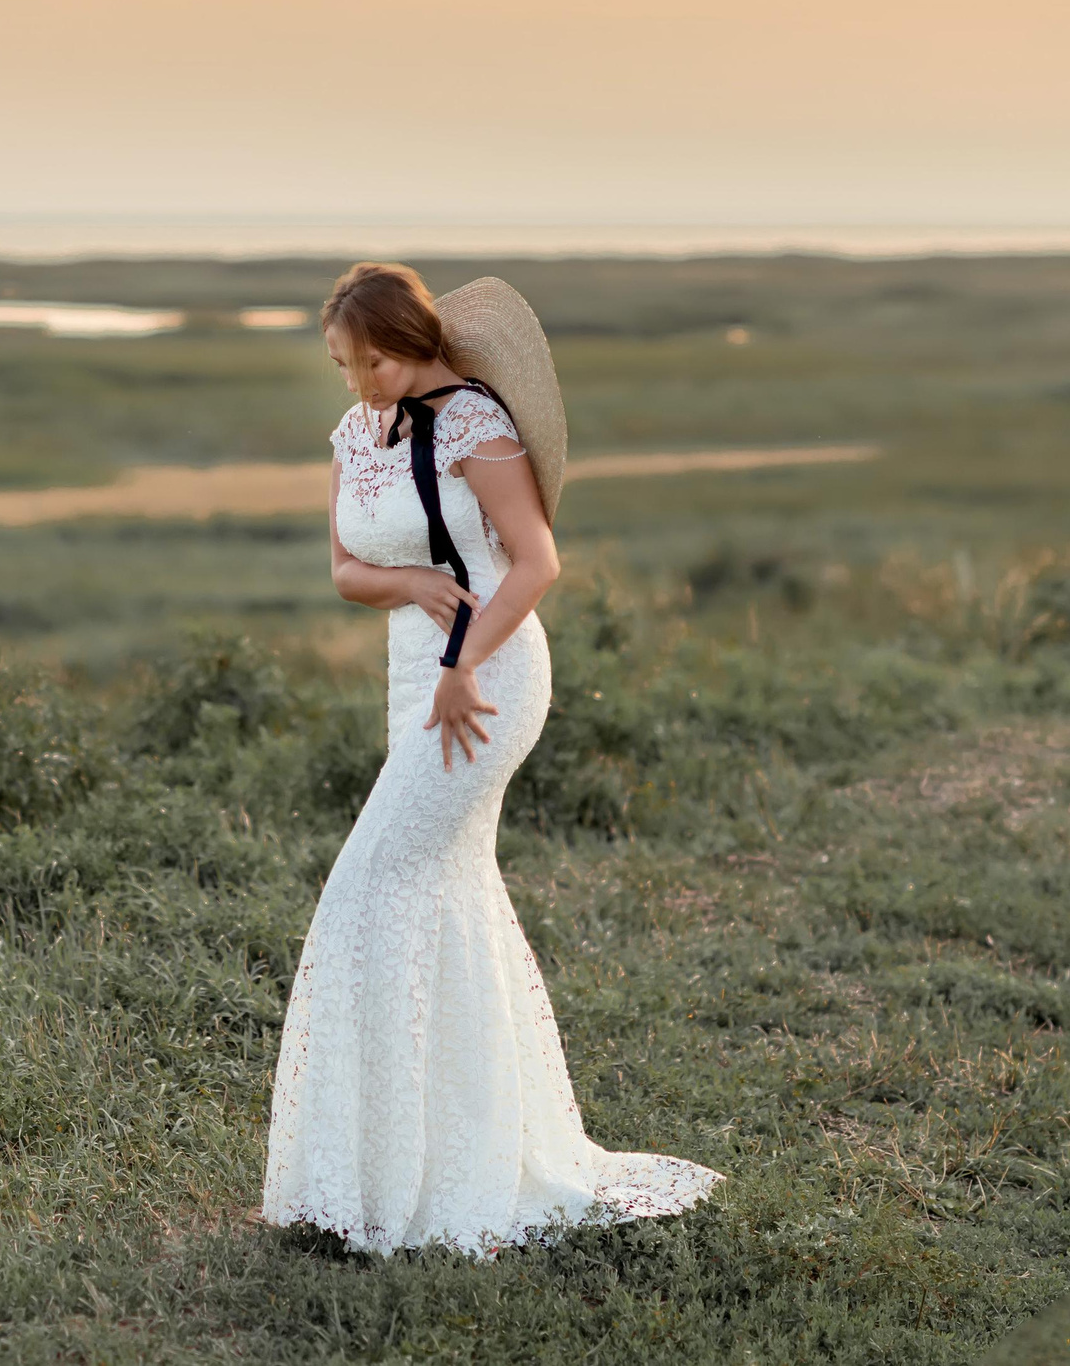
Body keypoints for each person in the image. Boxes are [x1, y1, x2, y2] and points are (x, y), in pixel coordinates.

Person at [260, 261, 724, 1256]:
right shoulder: (355, 433)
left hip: (489, 677)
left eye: (372, 361)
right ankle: (422, 1158)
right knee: (440, 891)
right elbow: (344, 571)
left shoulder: (477, 422)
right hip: (412, 676)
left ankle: (414, 1170)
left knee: (374, 882)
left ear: (415, 341)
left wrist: (463, 660)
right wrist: (408, 584)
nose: (359, 382)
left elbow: (536, 560)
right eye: (343, 365)